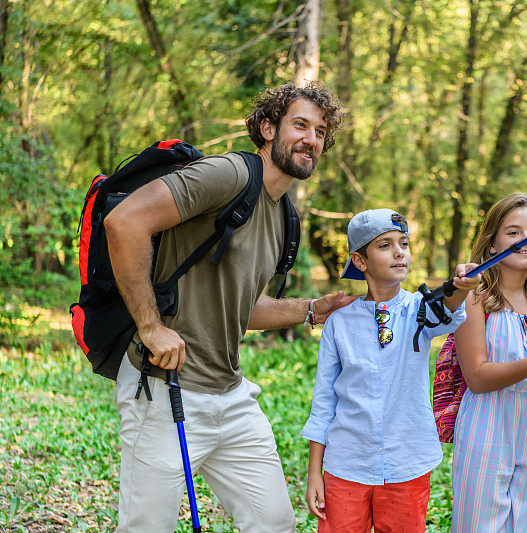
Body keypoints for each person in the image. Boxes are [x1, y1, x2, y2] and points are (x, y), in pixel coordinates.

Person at [104, 83, 354, 532]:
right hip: (165, 391)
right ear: (267, 128)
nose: (311, 139)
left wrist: (313, 308)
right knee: (147, 528)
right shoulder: (227, 175)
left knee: (274, 522)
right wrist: (150, 325)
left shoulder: (283, 216)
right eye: (300, 125)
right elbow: (124, 222)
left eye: (320, 132)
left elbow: (246, 307)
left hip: (232, 397)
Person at [301, 208, 481, 532]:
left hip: (407, 464)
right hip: (346, 465)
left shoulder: (418, 310)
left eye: (403, 243)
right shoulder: (339, 323)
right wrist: (316, 472)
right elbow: (324, 402)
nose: (399, 252)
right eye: (384, 245)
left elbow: (448, 310)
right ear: (360, 261)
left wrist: (463, 287)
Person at [449, 193, 527, 532]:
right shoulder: (474, 296)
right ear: (492, 244)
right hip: (487, 420)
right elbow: (477, 377)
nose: (526, 239)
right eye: (514, 231)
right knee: (480, 523)